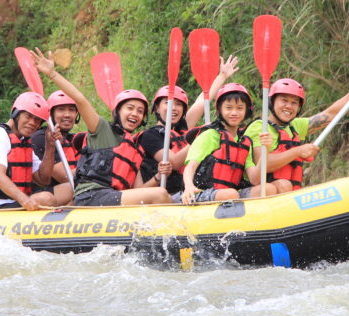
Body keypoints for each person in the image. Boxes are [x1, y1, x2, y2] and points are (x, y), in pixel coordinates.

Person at [32, 49, 171, 206]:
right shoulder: (103, 130)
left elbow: (138, 191)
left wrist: (158, 176)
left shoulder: (133, 149)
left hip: (111, 197)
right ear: (117, 111)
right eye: (130, 108)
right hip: (91, 195)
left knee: (161, 194)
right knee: (161, 194)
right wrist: (52, 74)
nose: (135, 113)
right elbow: (80, 100)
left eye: (140, 111)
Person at [244, 74, 349, 193]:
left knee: (286, 186)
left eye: (294, 103)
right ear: (272, 102)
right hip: (257, 191)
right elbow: (262, 166)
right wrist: (298, 151)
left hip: (285, 191)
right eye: (284, 100)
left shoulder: (295, 126)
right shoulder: (259, 127)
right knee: (284, 185)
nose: (289, 106)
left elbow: (330, 114)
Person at [139, 56, 240, 199]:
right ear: (156, 108)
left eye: (179, 104)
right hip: (165, 196)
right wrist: (201, 137)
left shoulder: (182, 128)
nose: (174, 108)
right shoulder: (150, 136)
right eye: (168, 103)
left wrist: (222, 76)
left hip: (186, 190)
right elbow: (174, 162)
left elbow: (202, 101)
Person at [0, 92, 66, 211]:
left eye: (37, 120)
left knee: (66, 190)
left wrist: (50, 145)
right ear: (16, 113)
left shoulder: (22, 142)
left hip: (12, 204)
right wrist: (24, 200)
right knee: (46, 198)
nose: (32, 123)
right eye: (28, 116)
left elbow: (43, 180)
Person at [181, 83, 276, 204]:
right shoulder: (210, 135)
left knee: (269, 188)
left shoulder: (244, 142)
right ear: (219, 110)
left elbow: (255, 179)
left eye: (240, 108)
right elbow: (190, 167)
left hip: (231, 193)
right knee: (230, 194)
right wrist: (189, 186)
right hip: (202, 192)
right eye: (229, 108)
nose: (234, 113)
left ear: (246, 111)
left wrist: (265, 150)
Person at [28, 90, 84, 205]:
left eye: (71, 110)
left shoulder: (73, 139)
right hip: (41, 195)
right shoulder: (41, 138)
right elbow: (65, 176)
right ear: (51, 114)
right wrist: (93, 170)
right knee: (84, 187)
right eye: (61, 109)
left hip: (67, 193)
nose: (67, 114)